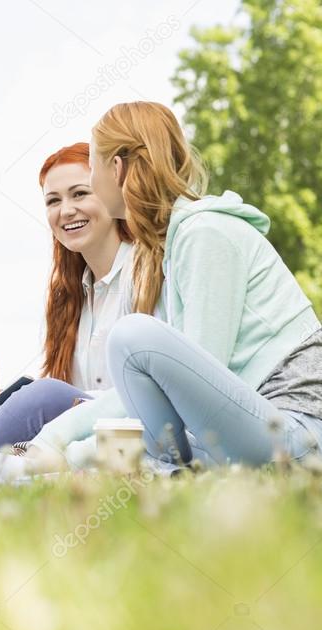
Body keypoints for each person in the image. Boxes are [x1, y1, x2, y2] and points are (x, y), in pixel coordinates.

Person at [23, 101, 322, 473]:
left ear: (116, 169)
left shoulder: (205, 235)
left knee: (131, 336)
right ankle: (29, 466)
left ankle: (149, 466)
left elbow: (193, 385)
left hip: (299, 435)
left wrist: (61, 437)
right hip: (249, 432)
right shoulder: (174, 246)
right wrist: (57, 437)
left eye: (94, 167)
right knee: (92, 454)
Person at [0, 142, 133, 451]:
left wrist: (39, 401)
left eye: (80, 193)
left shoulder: (144, 273)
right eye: (53, 201)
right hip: (72, 426)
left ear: (110, 194)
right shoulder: (70, 295)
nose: (66, 210)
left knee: (41, 395)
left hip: (121, 423)